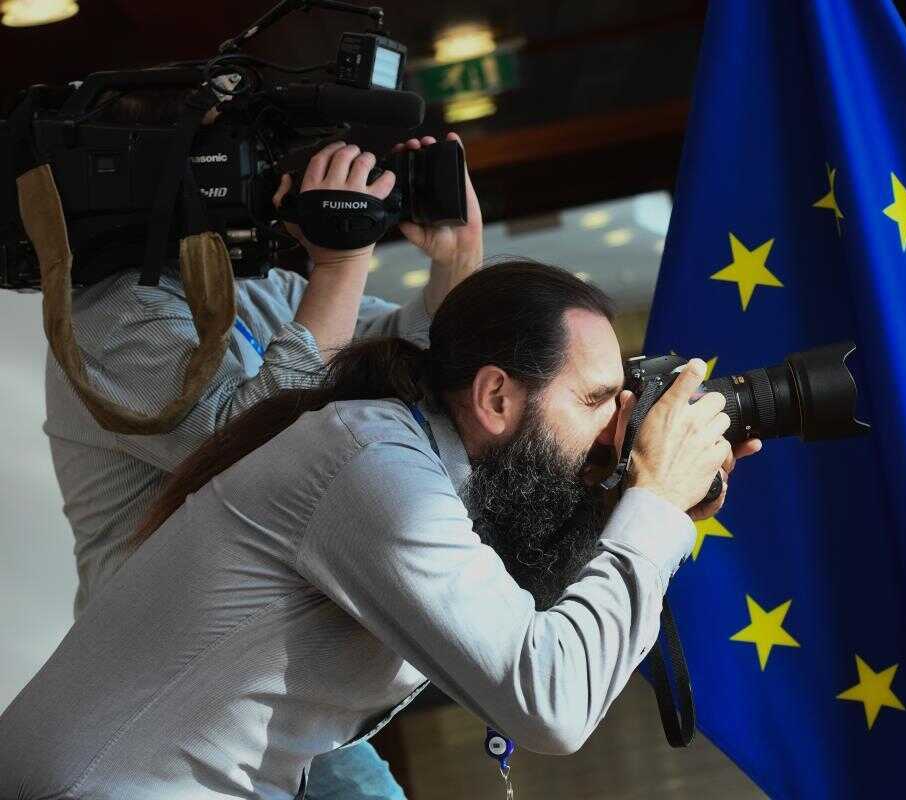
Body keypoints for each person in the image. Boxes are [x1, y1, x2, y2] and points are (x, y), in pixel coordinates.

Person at [0, 260, 762, 799]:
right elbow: (550, 701)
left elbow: (527, 606)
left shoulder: (423, 468)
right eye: (598, 399)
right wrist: (653, 503)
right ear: (496, 396)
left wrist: (638, 501)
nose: (616, 426)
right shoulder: (373, 469)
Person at [41, 106, 484, 800]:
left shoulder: (257, 289)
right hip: (166, 730)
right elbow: (261, 450)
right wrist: (342, 261)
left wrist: (456, 266)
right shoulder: (107, 314)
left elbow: (411, 368)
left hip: (285, 719)